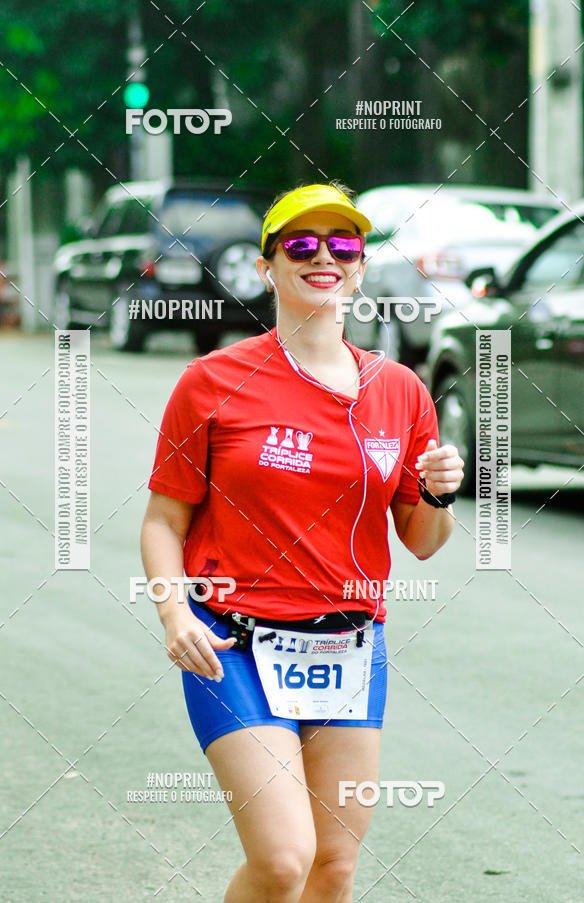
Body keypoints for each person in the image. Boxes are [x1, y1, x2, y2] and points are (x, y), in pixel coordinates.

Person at [141, 182, 464, 903]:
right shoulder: (213, 382)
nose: (324, 256)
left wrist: (440, 490)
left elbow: (422, 539)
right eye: (301, 244)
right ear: (267, 267)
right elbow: (164, 520)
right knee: (285, 858)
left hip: (348, 646)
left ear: (357, 269)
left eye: (342, 245)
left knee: (333, 868)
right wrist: (175, 614)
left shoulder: (402, 391)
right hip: (233, 643)